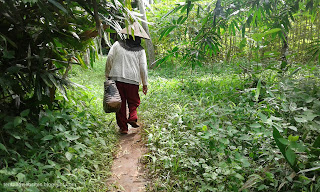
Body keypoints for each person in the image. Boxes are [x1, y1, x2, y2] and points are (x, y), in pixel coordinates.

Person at [105, 22, 150, 134]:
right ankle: (133, 117)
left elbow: (109, 58)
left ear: (128, 35)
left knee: (119, 104)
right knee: (133, 101)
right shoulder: (140, 50)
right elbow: (143, 68)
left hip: (116, 78)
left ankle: (123, 128)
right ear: (139, 37)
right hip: (133, 80)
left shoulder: (117, 44)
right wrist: (144, 83)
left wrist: (108, 74)